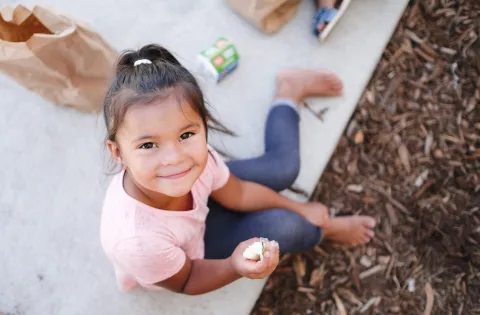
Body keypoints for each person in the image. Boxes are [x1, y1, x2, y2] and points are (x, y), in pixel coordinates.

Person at [100, 44, 376, 295]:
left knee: (285, 169)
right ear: (118, 152)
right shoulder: (138, 242)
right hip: (188, 251)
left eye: (186, 135)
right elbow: (187, 280)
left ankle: (289, 90)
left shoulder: (198, 158)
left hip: (200, 209)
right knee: (286, 228)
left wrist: (300, 207)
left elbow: (239, 193)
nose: (174, 158)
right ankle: (324, 232)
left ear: (203, 125)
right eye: (148, 145)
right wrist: (235, 266)